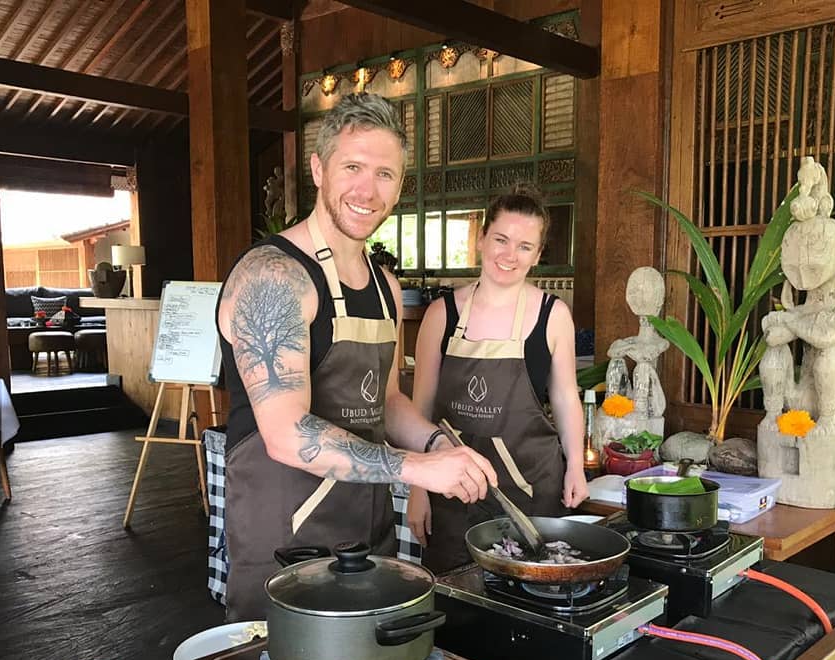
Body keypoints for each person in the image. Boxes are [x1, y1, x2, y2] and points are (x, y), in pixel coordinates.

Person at [216, 93, 496, 621]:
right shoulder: (272, 277)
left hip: (368, 543)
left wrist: (442, 445)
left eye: (385, 174)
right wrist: (418, 468)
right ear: (319, 169)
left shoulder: (385, 287)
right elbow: (286, 432)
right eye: (353, 167)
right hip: (285, 544)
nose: (368, 191)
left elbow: (387, 401)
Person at [407, 184, 589, 573]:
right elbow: (419, 410)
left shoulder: (552, 315)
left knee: (528, 603)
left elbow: (565, 397)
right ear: (481, 239)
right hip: (452, 492)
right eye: (501, 240)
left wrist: (576, 464)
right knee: (456, 606)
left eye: (525, 246)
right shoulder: (441, 315)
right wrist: (417, 488)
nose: (510, 255)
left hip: (531, 487)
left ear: (538, 255)